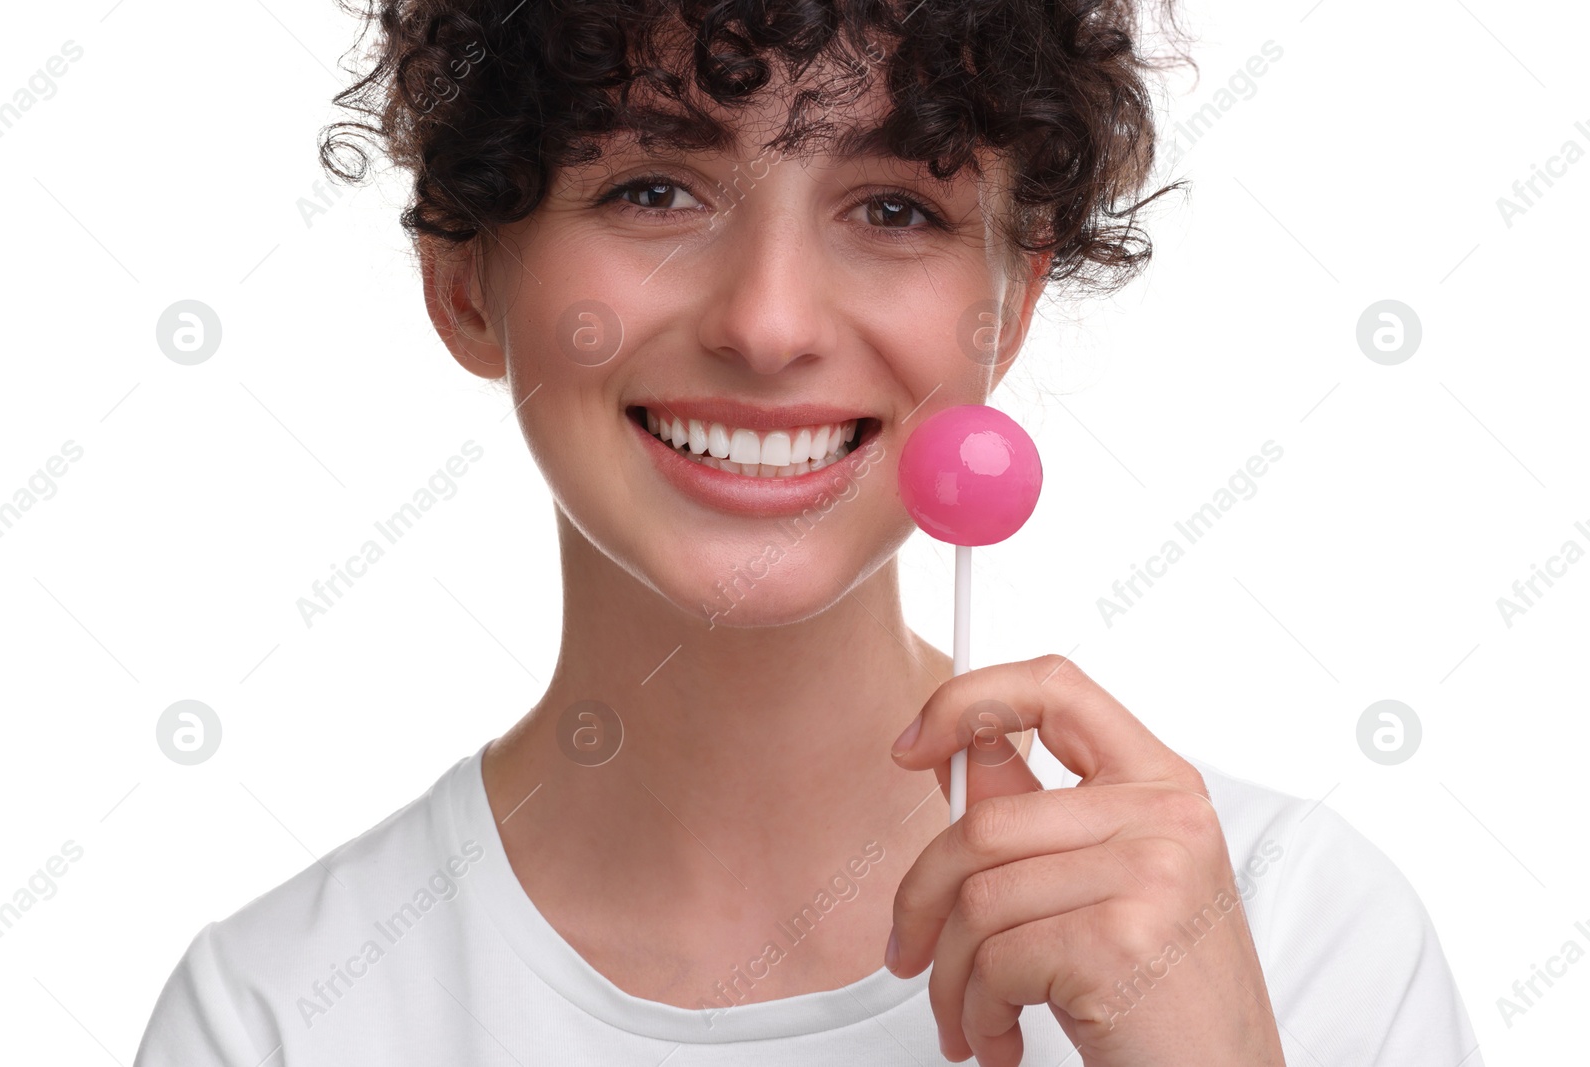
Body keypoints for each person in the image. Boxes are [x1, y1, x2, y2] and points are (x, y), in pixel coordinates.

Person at [134, 1, 1485, 1064]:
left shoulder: (1298, 937)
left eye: (895, 208)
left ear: (1009, 310)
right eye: (654, 190)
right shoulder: (275, 1022)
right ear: (466, 279)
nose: (769, 321)